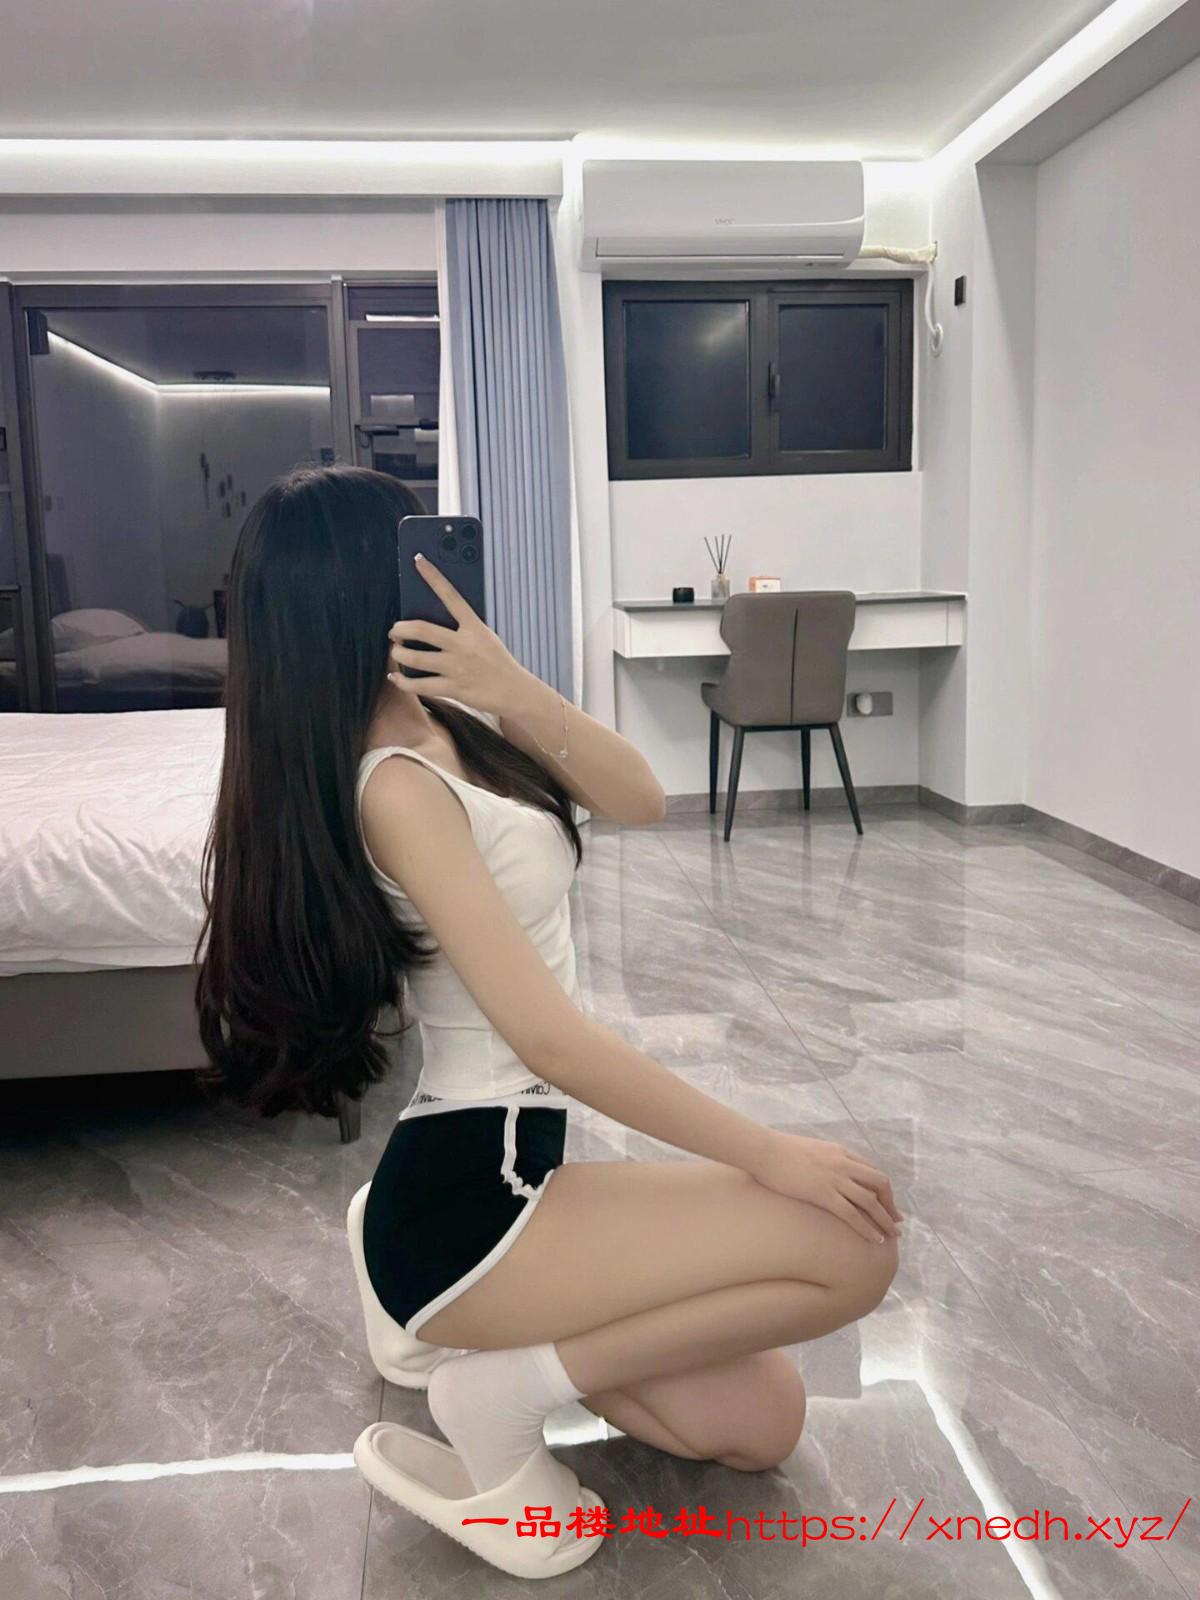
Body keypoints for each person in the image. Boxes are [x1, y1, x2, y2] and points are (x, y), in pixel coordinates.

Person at [196, 463, 901, 1562]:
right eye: (407, 557)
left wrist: (509, 683)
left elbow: (640, 798)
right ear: (355, 593)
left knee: (762, 1424)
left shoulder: (452, 716)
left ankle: (469, 1326)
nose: (433, 577)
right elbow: (550, 1041)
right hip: (480, 1197)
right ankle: (496, 1387)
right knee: (852, 1251)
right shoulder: (394, 786)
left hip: (533, 1160)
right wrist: (769, 1153)